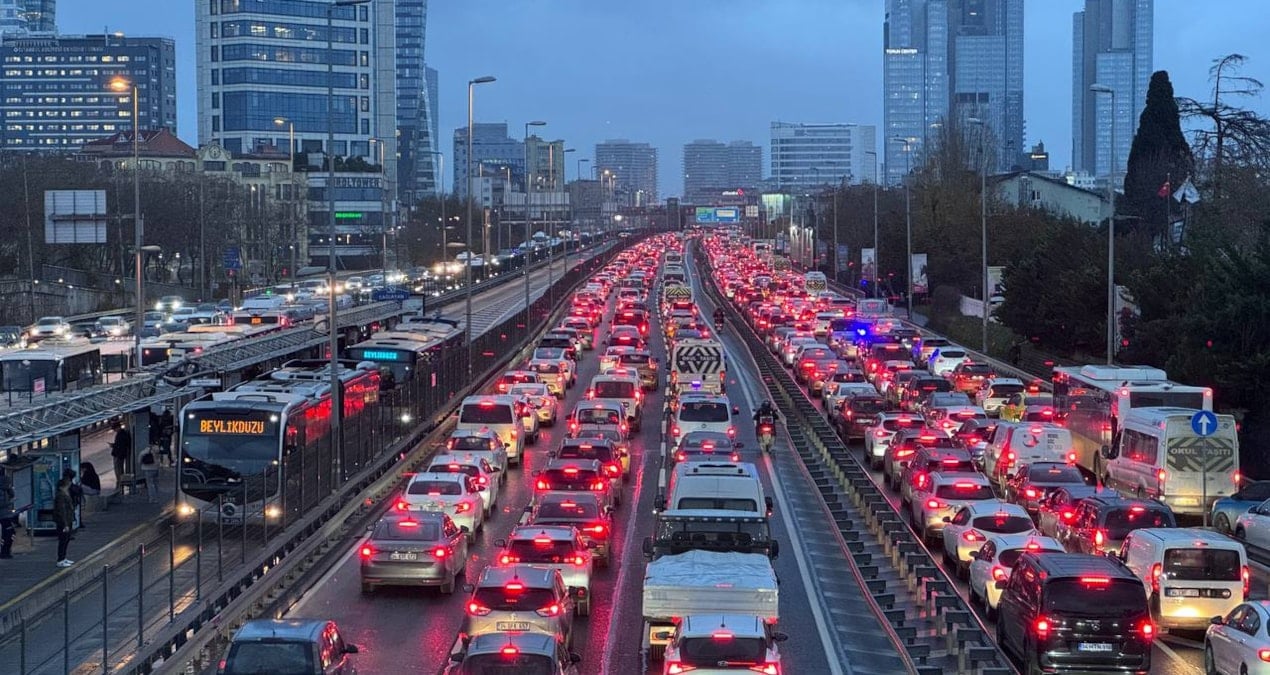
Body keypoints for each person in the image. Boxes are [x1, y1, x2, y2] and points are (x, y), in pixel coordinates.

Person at [53, 469, 75, 567]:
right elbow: (62, 511)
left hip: (68, 520)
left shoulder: (65, 494)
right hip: (63, 521)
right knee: (63, 540)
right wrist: (65, 524)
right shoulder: (61, 496)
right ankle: (60, 559)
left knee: (66, 540)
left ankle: (63, 558)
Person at [110, 422, 132, 491]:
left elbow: (120, 446)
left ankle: (119, 485)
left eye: (114, 429)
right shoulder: (123, 434)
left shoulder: (121, 434)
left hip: (118, 455)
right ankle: (120, 485)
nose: (114, 430)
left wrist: (113, 445)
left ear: (118, 427)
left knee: (118, 471)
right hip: (120, 455)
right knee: (119, 470)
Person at [0, 466, 15, 559]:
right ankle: (5, 551)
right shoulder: (7, 487)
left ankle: (4, 551)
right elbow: (12, 495)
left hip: (4, 513)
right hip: (6, 514)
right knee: (9, 532)